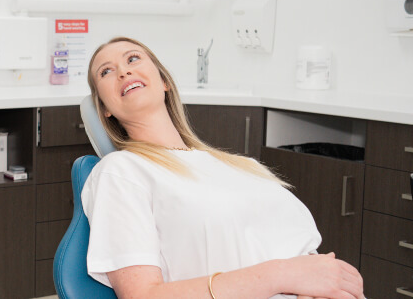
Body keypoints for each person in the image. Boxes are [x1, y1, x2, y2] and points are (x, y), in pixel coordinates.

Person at [82, 37, 364, 299]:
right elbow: (142, 296)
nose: (123, 72)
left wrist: (325, 279)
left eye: (133, 59)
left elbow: (299, 250)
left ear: (164, 81)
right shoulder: (122, 172)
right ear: (104, 108)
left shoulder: (238, 166)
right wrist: (283, 275)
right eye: (105, 72)